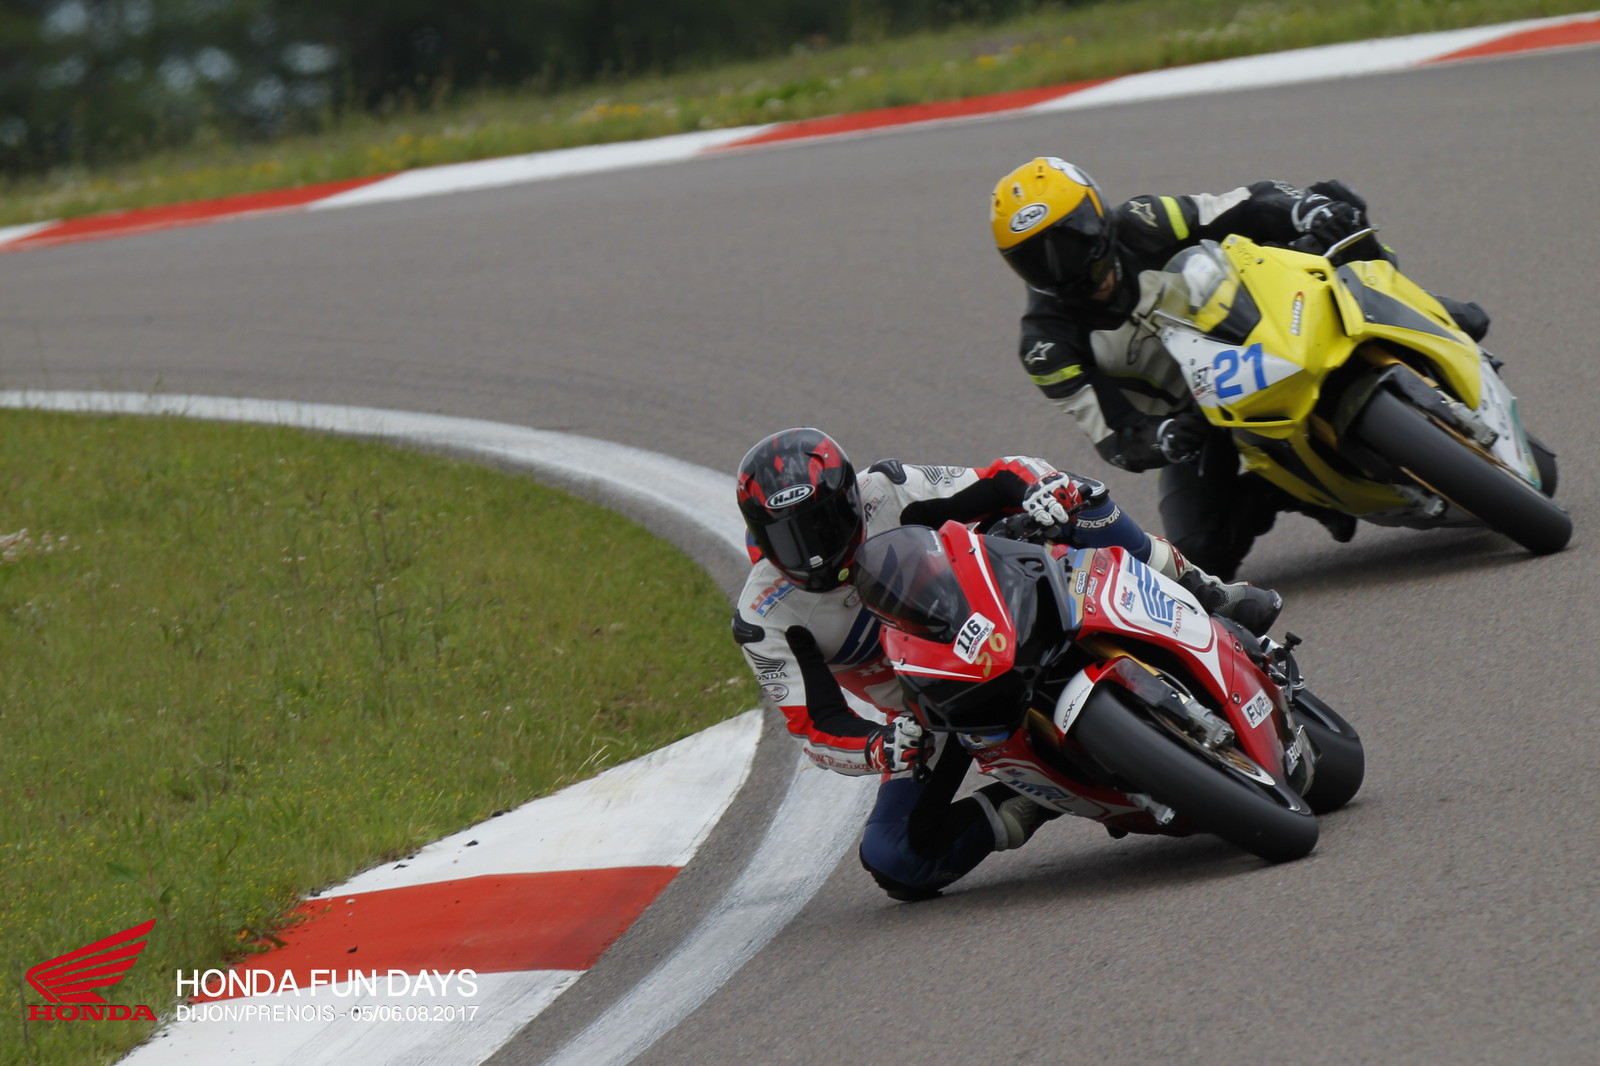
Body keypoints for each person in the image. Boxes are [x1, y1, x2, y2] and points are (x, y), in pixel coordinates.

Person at [730, 427, 1280, 902]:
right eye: (789, 539)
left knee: (1078, 496)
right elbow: (816, 725)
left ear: (851, 499)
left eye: (824, 524)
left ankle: (1202, 590)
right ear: (759, 534)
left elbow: (1000, 476)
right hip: (930, 706)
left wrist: (1042, 488)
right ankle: (1040, 796)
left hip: (997, 604)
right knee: (895, 856)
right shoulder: (763, 617)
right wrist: (880, 746)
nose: (815, 551)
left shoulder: (887, 489)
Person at [988, 156, 1492, 579]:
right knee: (1198, 550)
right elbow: (1113, 434)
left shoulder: (1146, 219)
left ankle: (1428, 312)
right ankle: (1290, 492)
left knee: (1336, 208)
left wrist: (1307, 210)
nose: (1062, 268)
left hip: (1254, 319)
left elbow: (1244, 204)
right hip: (1199, 415)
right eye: (1036, 260)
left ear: (1097, 216)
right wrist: (1164, 438)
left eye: (1071, 241)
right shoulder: (1045, 345)